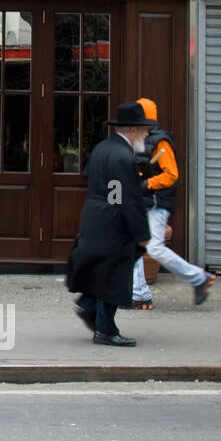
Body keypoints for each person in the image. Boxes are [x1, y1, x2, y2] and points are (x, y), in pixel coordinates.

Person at [66, 101, 153, 347]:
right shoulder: (123, 156)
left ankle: (88, 306)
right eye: (144, 130)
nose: (147, 134)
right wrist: (141, 233)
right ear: (133, 131)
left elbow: (88, 176)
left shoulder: (103, 148)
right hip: (114, 223)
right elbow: (126, 198)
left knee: (101, 271)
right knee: (113, 276)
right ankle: (105, 330)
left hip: (95, 216)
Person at [129, 97, 215, 310]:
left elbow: (172, 175)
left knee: (155, 249)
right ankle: (139, 294)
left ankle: (199, 278)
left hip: (157, 203)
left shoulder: (160, 141)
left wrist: (146, 183)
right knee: (135, 244)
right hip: (146, 202)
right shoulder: (142, 139)